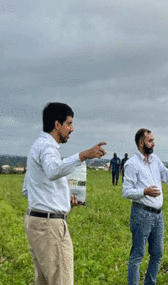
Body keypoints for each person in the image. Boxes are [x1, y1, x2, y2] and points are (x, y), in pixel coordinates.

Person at [22, 102, 107, 285]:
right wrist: (83, 155)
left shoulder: (37, 147)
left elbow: (27, 189)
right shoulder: (47, 147)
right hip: (49, 226)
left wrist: (63, 202)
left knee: (44, 281)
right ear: (57, 124)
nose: (72, 128)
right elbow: (53, 171)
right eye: (69, 123)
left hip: (36, 222)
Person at [122, 128, 168, 285]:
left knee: (157, 253)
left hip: (158, 215)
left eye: (153, 140)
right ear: (141, 143)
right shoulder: (132, 164)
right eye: (150, 140)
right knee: (138, 254)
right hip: (141, 213)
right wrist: (145, 192)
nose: (153, 143)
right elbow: (126, 192)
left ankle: (150, 283)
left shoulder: (155, 159)